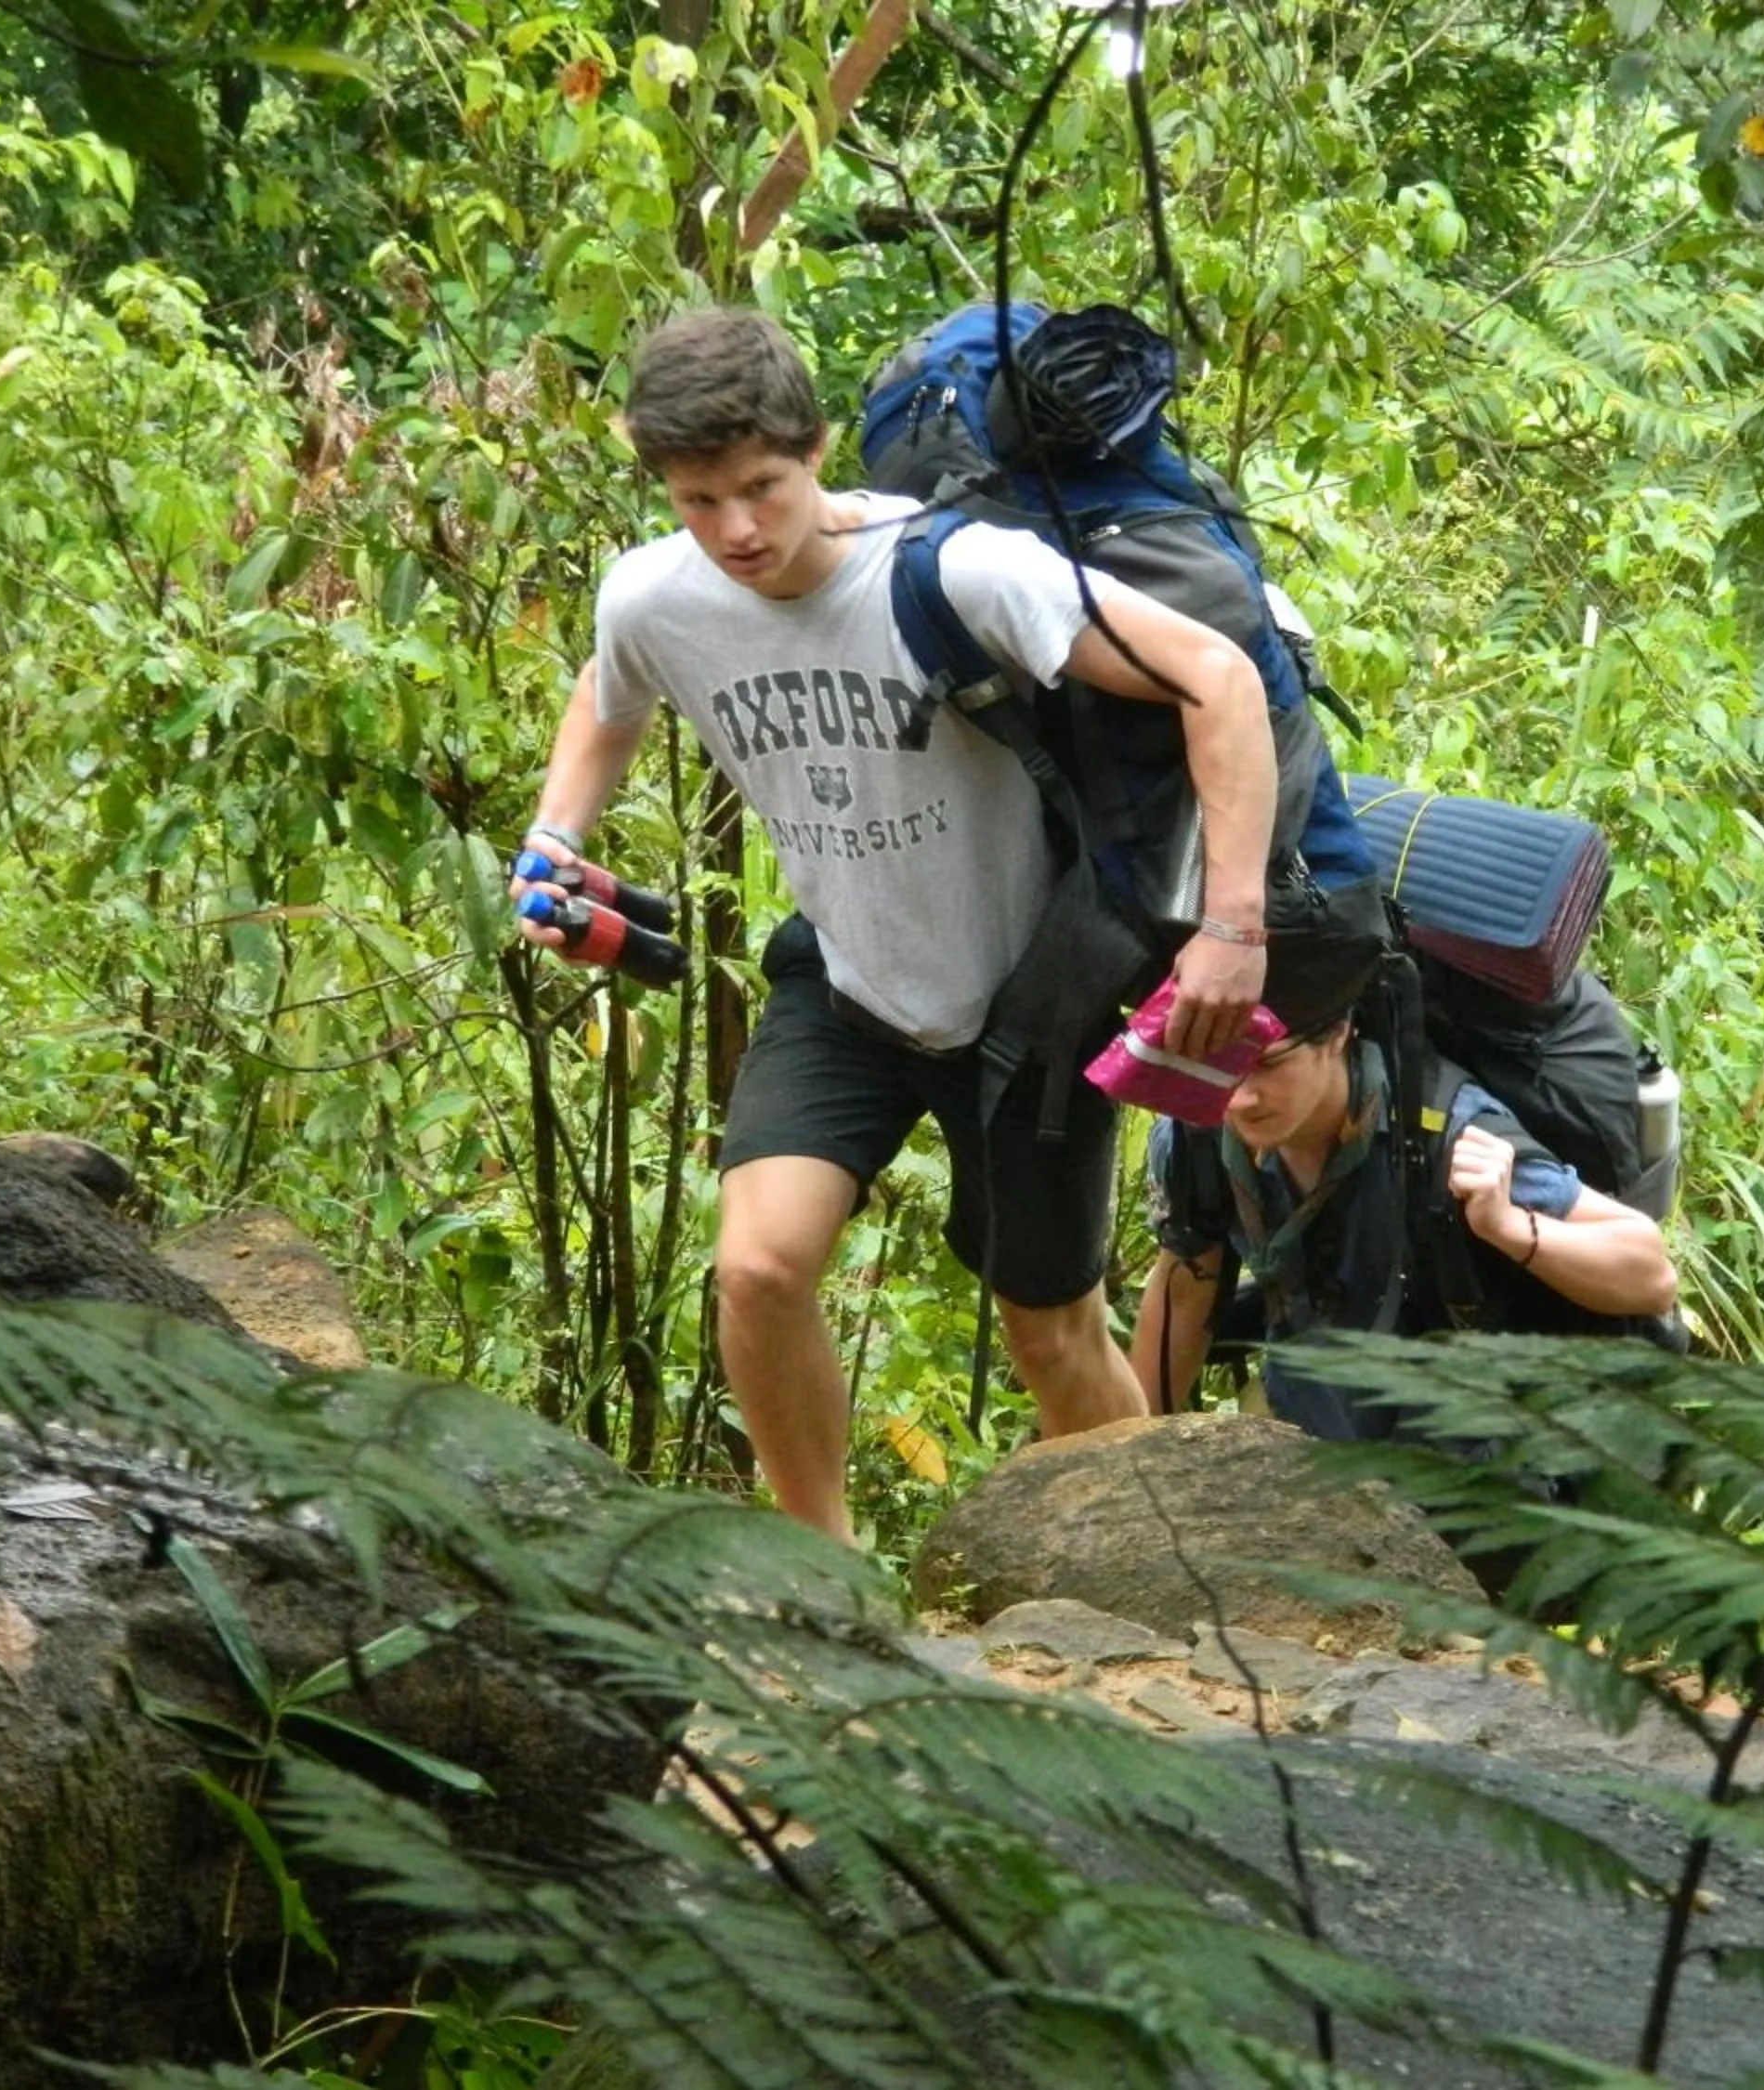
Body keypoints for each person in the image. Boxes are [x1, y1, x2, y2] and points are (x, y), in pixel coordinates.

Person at [516, 306, 1281, 1543]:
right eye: (699, 500)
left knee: (1051, 1329)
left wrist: (1231, 929)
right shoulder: (655, 596)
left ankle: (1156, 1569)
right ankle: (823, 1580)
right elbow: (607, 701)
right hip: (847, 982)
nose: (739, 531)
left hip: (1026, 1004)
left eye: (763, 486)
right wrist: (555, 837)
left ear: (819, 448)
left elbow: (1221, 676)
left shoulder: (964, 570)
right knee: (758, 1269)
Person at [1132, 1007, 1679, 1433]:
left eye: (1270, 1062)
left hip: (1464, 1452)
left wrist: (1511, 1227)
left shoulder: (1445, 1134)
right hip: (1309, 1415)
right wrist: (1125, 1462)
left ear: (1338, 1032)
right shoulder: (1198, 1134)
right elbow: (1185, 1294)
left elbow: (1651, 1275)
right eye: (1222, 1064)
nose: (1241, 1096)